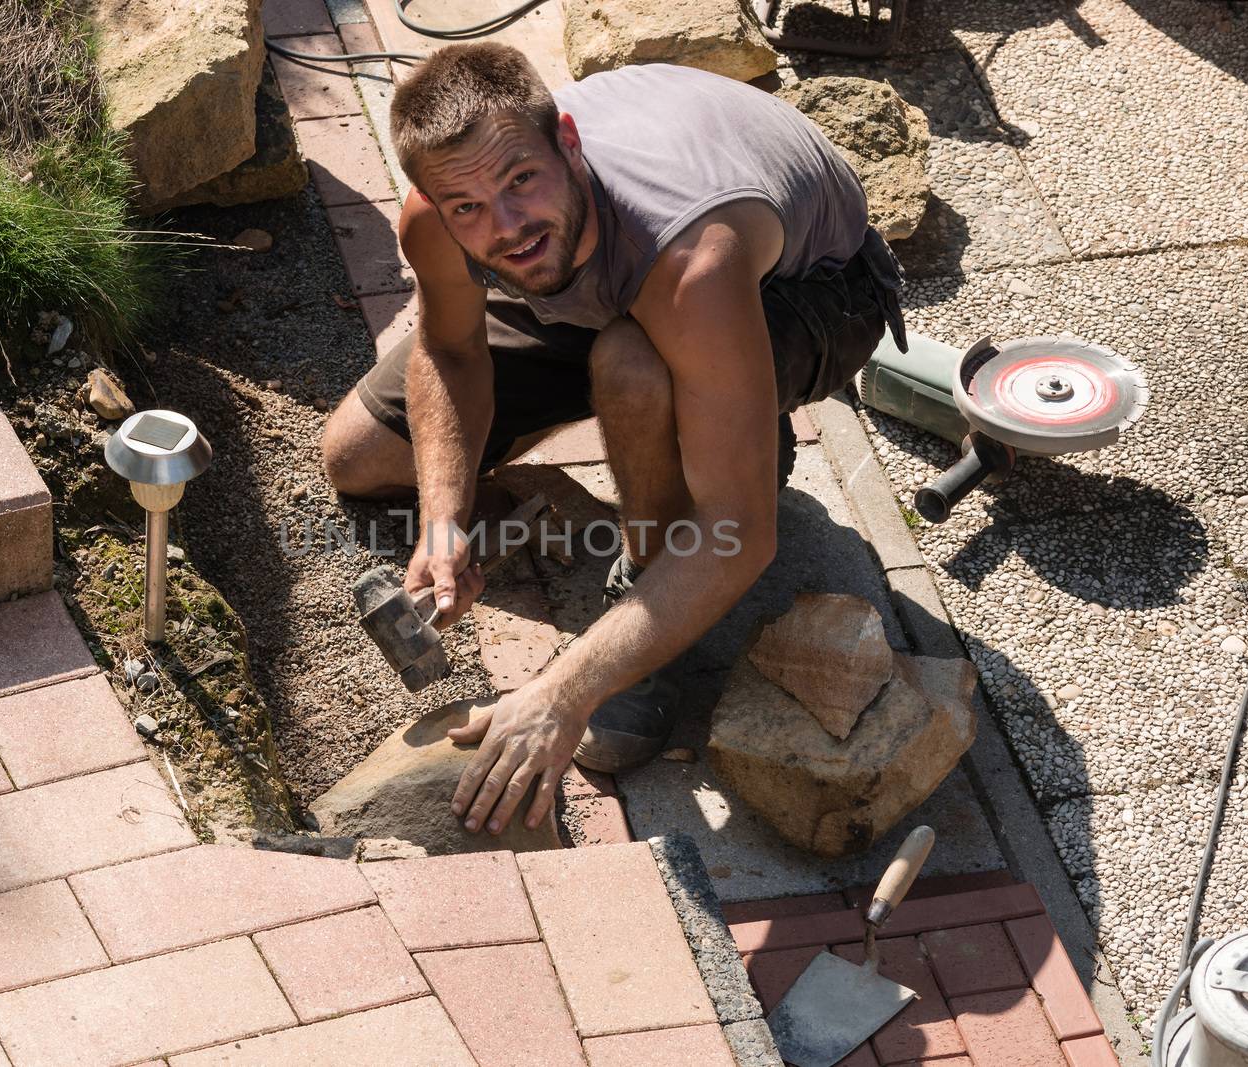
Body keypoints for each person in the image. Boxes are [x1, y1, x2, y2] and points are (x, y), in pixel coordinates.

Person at [320, 43, 907, 839]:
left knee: (633, 367)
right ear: (431, 198)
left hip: (809, 290)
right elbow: (451, 352)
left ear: (567, 141)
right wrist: (444, 518)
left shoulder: (692, 256)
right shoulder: (450, 218)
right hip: (599, 279)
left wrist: (562, 693)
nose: (505, 228)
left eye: (520, 180)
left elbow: (741, 538)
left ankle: (660, 560)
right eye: (467, 208)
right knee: (358, 455)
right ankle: (704, 424)